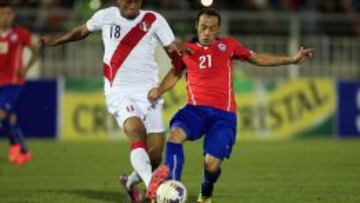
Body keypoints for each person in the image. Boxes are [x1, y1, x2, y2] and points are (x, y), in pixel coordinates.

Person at [147, 8, 314, 203]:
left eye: (212, 28)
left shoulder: (228, 46)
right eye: (203, 27)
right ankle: (171, 187)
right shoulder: (185, 49)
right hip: (195, 110)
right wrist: (158, 90)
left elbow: (256, 58)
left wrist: (290, 60)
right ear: (196, 26)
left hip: (223, 116)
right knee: (174, 135)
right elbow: (175, 73)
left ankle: (206, 190)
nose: (207, 32)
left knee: (211, 165)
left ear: (218, 29)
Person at [41, 0, 187, 202]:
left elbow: (175, 53)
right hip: (119, 91)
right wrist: (56, 41)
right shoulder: (105, 16)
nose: (132, 4)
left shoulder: (154, 19)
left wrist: (178, 54)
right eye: (127, 0)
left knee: (154, 155)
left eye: (136, 0)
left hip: (149, 93)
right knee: (137, 131)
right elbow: (82, 31)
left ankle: (130, 183)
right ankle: (155, 187)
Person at [0, 3, 39, 166]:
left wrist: (27, 67)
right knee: (10, 117)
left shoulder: (20, 34)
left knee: (1, 113)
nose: (5, 17)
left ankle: (15, 145)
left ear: (13, 15)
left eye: (8, 14)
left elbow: (36, 51)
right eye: (2, 13)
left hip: (14, 82)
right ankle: (23, 150)